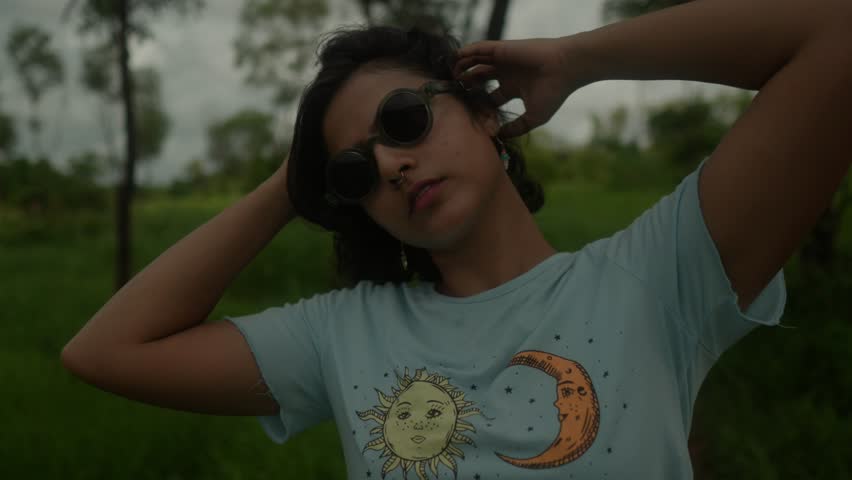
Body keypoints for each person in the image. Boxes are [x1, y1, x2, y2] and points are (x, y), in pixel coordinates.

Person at [61, 0, 852, 477]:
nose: (392, 166)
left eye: (403, 121)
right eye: (354, 171)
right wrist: (290, 183)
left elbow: (834, 34)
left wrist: (583, 58)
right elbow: (105, 353)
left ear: (482, 110)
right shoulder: (346, 333)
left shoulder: (658, 276)